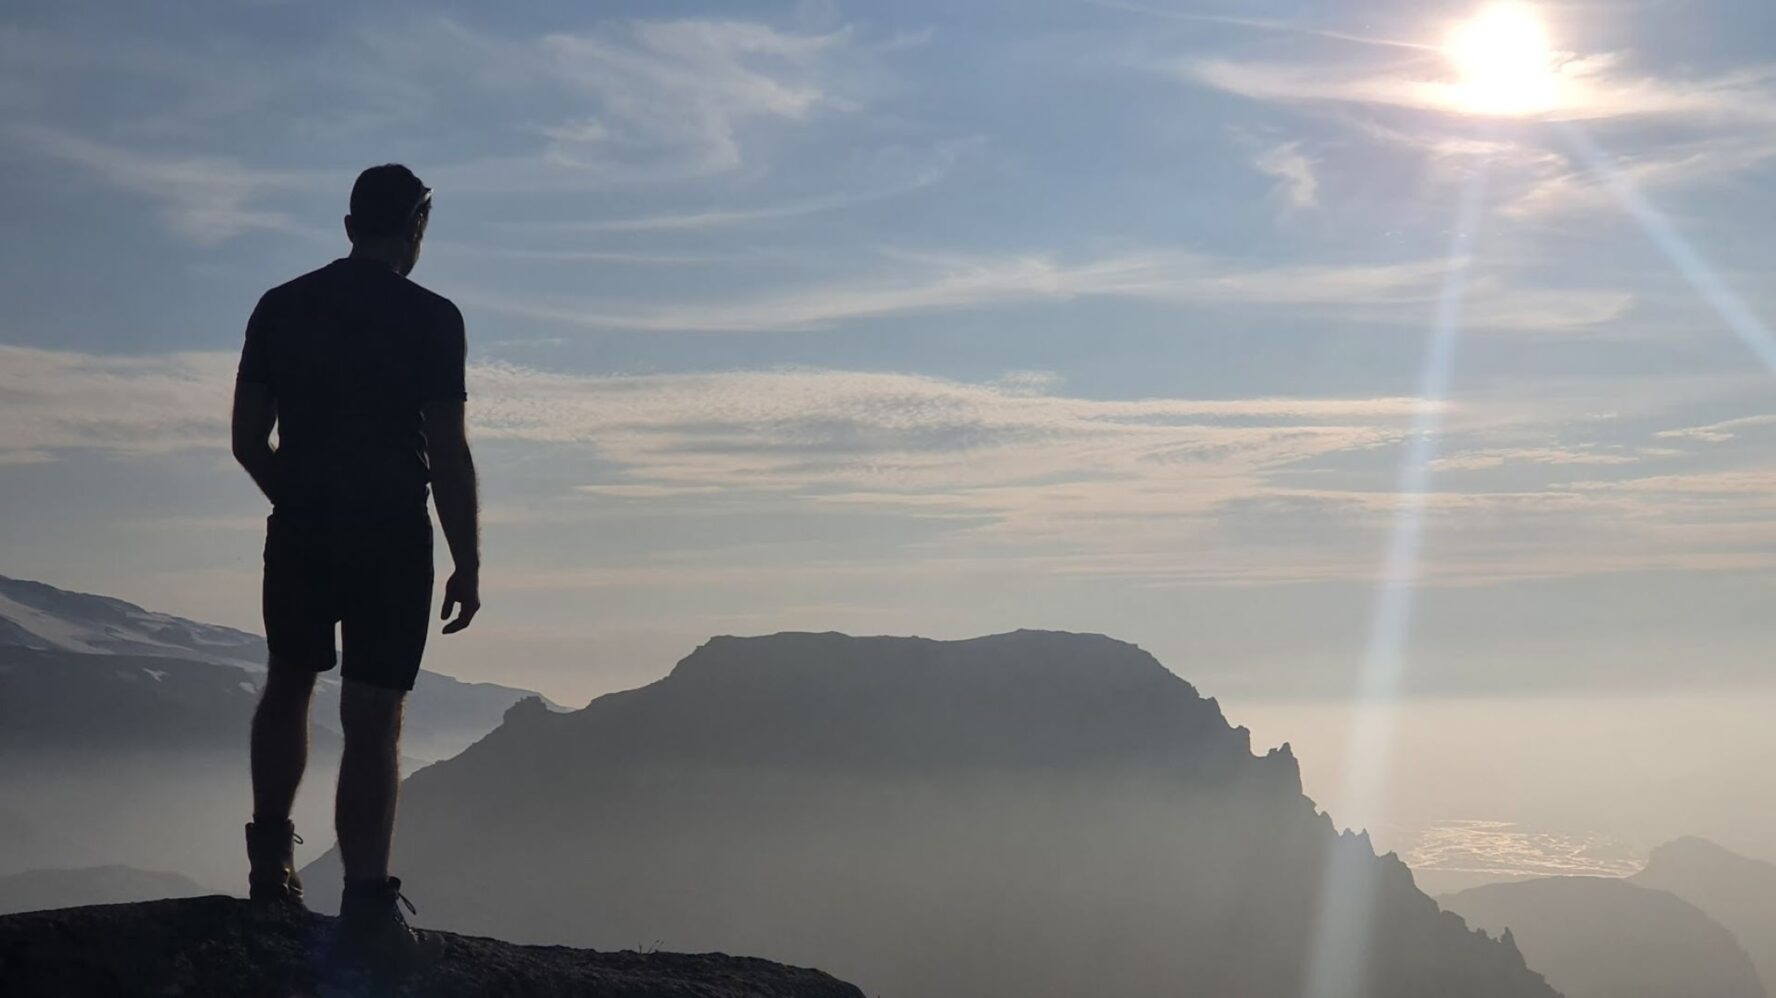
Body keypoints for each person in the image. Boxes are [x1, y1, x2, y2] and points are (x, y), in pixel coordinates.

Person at [231, 163, 480, 964]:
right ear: (416, 227)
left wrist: (295, 496)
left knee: (289, 682)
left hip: (303, 529)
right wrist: (467, 560)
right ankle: (367, 901)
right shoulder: (434, 319)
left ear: (347, 226)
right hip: (392, 537)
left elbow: (246, 438)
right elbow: (447, 452)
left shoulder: (281, 306)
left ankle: (271, 864)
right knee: (374, 717)